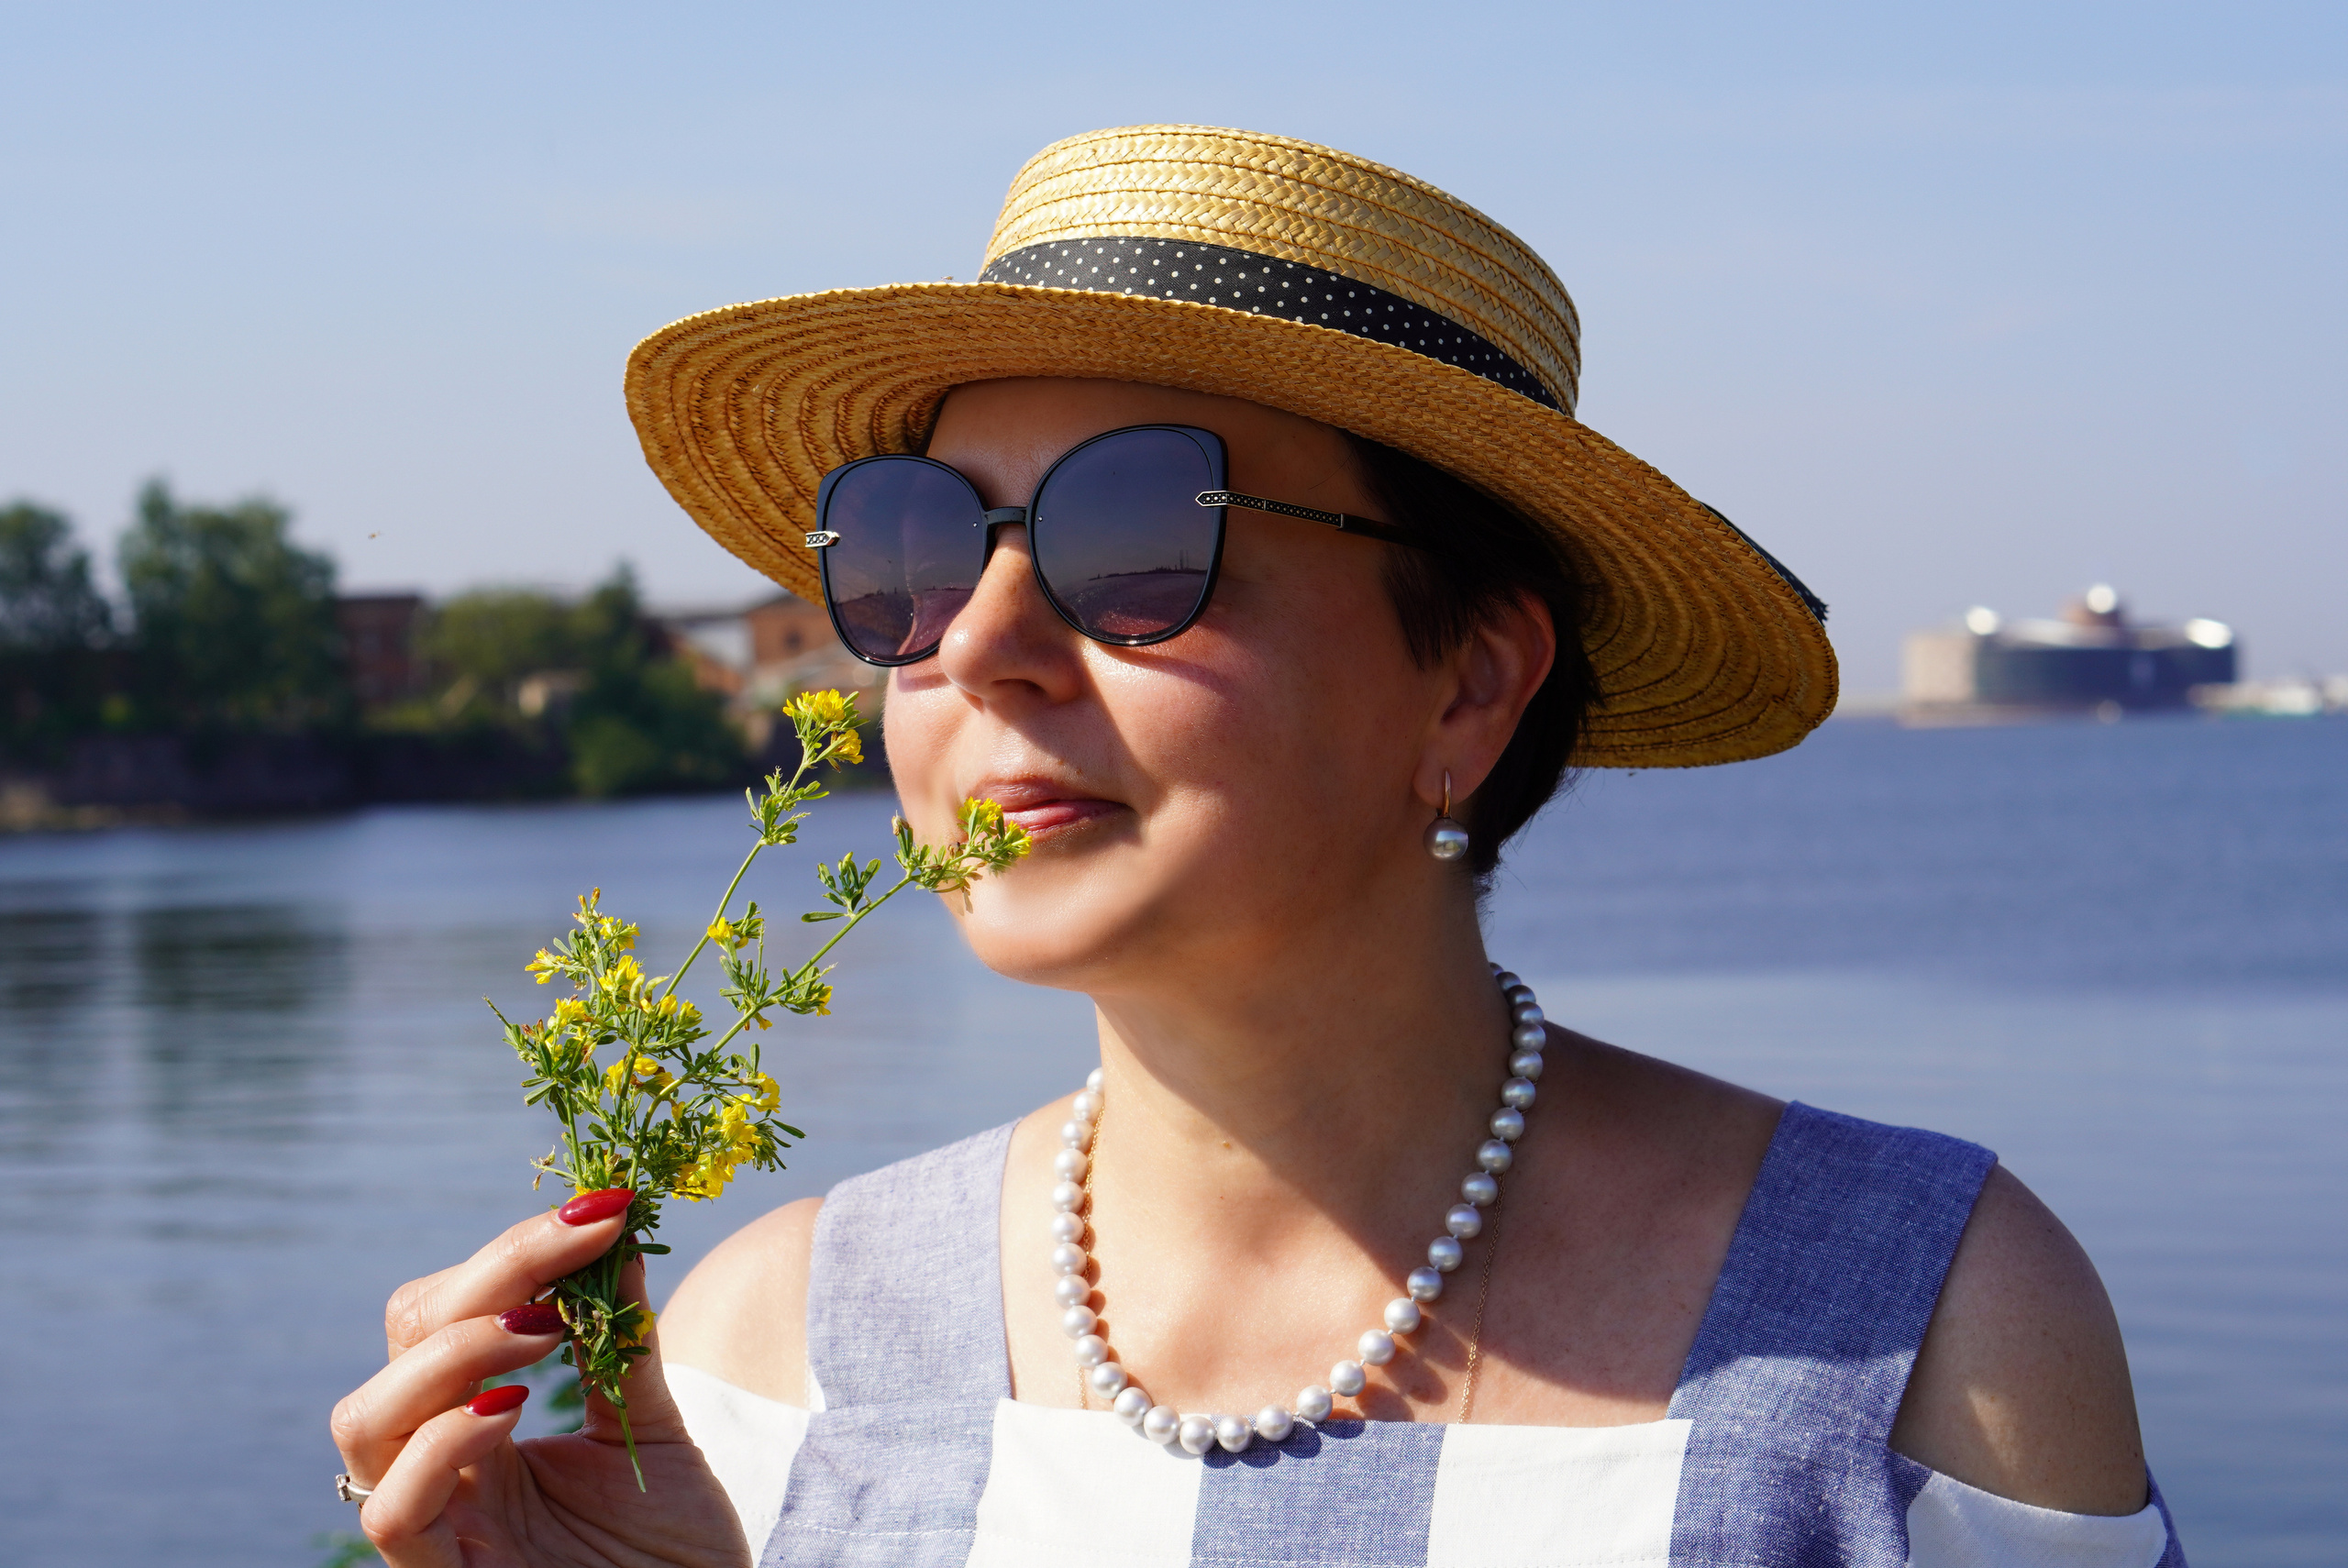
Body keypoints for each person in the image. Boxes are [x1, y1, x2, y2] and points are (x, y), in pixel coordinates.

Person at [332, 125, 2185, 1567]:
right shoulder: (756, 1356)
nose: (976, 641)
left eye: (1134, 541)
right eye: (904, 547)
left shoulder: (1912, 1326)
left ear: (1468, 681)